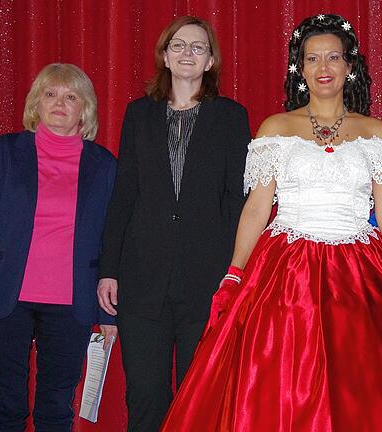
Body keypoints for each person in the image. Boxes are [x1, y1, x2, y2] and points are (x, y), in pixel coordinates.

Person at [160, 14, 382, 431]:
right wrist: (234, 273)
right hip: (286, 270)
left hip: (359, 273)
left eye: (333, 57)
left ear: (349, 66)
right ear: (301, 69)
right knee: (278, 383)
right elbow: (257, 208)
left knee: (363, 386)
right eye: (313, 58)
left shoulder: (376, 132)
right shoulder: (275, 128)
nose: (324, 68)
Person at [97, 15, 250, 432]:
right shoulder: (138, 115)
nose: (187, 53)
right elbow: (124, 196)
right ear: (164, 56)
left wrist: (237, 270)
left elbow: (238, 200)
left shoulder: (232, 117)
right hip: (142, 279)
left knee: (198, 396)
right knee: (145, 396)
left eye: (198, 47)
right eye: (179, 45)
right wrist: (108, 269)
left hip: (207, 279)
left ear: (210, 61)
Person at [0, 63, 117, 431]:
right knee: (5, 410)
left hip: (71, 306)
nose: (60, 103)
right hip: (3, 300)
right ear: (36, 104)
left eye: (71, 96)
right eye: (51, 94)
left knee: (56, 411)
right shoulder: (5, 152)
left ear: (85, 109)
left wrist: (108, 315)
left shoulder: (104, 165)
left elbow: (115, 240)